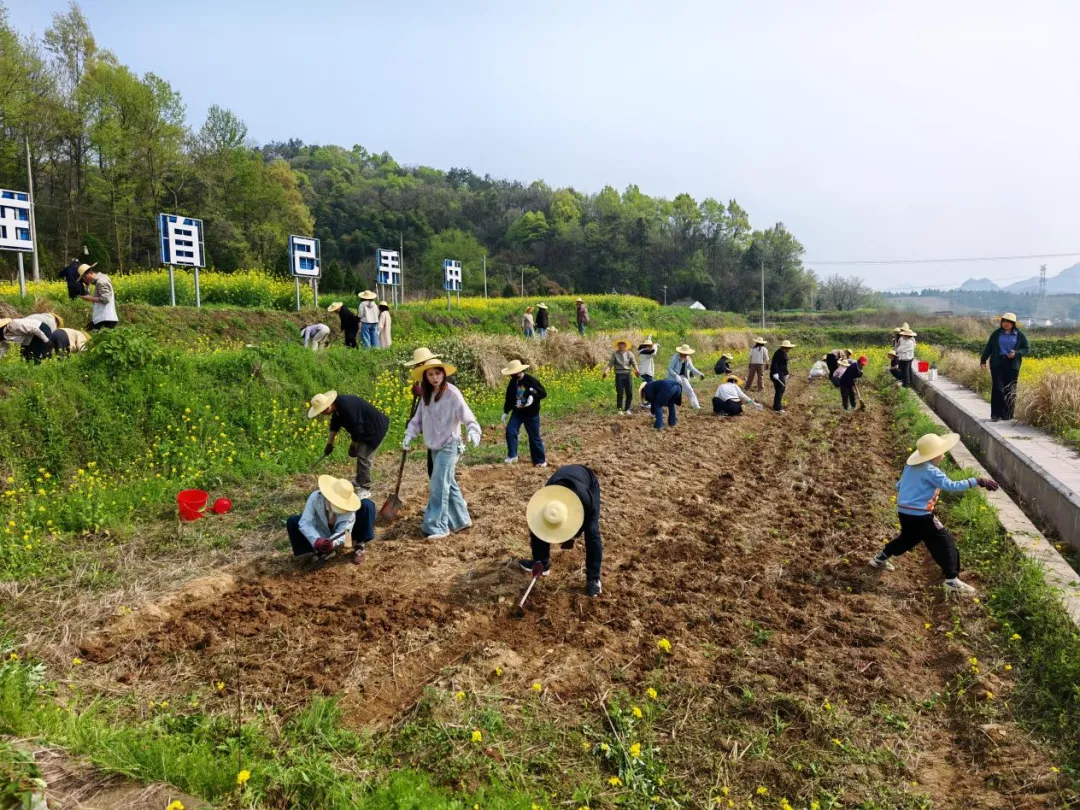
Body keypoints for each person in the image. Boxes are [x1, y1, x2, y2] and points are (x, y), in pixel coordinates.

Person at [869, 432, 999, 594]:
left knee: (908, 539)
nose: (943, 456)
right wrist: (977, 481)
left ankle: (880, 559)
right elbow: (951, 486)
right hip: (921, 515)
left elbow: (899, 486)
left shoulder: (910, 467)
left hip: (904, 511)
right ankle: (952, 579)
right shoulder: (931, 471)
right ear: (933, 455)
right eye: (941, 453)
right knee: (945, 542)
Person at [403, 359, 482, 539]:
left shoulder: (452, 393)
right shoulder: (427, 395)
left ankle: (438, 526)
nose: (435, 378)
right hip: (434, 444)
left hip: (450, 443)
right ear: (426, 377)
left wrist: (473, 430)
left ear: (444, 374)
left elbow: (466, 414)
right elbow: (418, 418)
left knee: (439, 483)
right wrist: (410, 434)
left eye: (438, 373)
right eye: (430, 375)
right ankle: (461, 520)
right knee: (448, 481)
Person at [519, 465, 603, 597]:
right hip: (561, 485)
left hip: (587, 485)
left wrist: (572, 536)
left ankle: (594, 579)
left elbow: (586, 519)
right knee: (540, 523)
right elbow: (538, 527)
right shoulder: (544, 499)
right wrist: (538, 560)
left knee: (592, 531)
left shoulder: (585, 499)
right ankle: (543, 563)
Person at [308, 390, 390, 500]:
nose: (322, 414)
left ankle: (365, 488)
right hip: (365, 429)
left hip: (375, 429)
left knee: (363, 456)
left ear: (327, 407)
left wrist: (353, 445)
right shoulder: (337, 407)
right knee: (361, 455)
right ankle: (359, 481)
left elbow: (358, 429)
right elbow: (334, 425)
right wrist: (329, 444)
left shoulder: (346, 406)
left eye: (322, 412)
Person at [286, 474, 375, 566]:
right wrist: (316, 540)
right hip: (320, 531)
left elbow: (345, 532)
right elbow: (305, 522)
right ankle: (312, 554)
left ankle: (358, 546)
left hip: (344, 535)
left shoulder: (349, 510)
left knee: (367, 505)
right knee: (293, 521)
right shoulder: (315, 498)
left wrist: (333, 542)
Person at [980, 312, 1029, 423]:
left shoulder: (1019, 335)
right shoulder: (996, 334)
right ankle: (995, 414)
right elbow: (989, 347)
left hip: (1012, 365)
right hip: (997, 363)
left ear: (1013, 324)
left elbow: (1026, 348)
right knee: (998, 388)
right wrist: (983, 360)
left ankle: (1008, 415)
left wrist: (1016, 353)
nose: (1005, 324)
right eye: (1003, 321)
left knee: (1010, 389)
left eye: (1008, 322)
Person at [501, 359, 547, 467]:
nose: (511, 375)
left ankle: (540, 460)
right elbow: (509, 398)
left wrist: (532, 395)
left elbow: (543, 393)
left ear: (518, 371)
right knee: (510, 431)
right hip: (518, 412)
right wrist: (506, 411)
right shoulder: (513, 382)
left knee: (534, 437)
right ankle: (512, 455)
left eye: (512, 373)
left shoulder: (530, 380)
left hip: (531, 413)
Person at [602, 339, 640, 415]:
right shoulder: (615, 354)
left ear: (625, 346)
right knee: (620, 392)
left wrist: (637, 371)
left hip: (627, 374)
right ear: (618, 346)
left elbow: (634, 363)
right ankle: (620, 409)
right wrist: (606, 372)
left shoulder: (630, 354)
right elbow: (610, 364)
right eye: (620, 344)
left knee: (629, 392)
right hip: (619, 375)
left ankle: (627, 409)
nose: (621, 346)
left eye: (622, 344)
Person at [666, 344, 704, 409]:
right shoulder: (675, 357)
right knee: (672, 391)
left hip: (682, 376)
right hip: (672, 377)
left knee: (690, 389)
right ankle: (666, 404)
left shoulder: (687, 359)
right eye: (685, 353)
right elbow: (670, 368)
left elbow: (692, 368)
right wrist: (675, 375)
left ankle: (695, 405)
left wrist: (700, 373)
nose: (686, 354)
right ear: (681, 352)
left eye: (687, 353)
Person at [770, 340, 794, 412]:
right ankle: (777, 408)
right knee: (780, 389)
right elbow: (774, 363)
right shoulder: (778, 353)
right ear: (785, 347)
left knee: (780, 389)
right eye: (789, 348)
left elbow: (784, 365)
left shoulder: (783, 352)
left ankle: (776, 405)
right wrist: (775, 373)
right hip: (777, 374)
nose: (790, 349)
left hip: (781, 373)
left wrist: (786, 373)